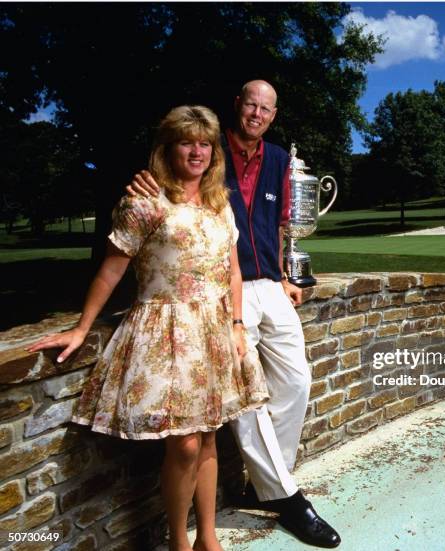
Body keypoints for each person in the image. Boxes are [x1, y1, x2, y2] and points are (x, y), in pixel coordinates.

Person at [27, 105, 269, 551]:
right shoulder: (144, 201)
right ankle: (179, 541)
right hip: (165, 333)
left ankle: (208, 538)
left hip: (214, 331)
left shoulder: (219, 203)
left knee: (210, 438)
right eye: (186, 142)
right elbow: (111, 271)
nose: (196, 152)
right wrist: (82, 329)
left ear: (213, 152)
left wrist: (237, 323)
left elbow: (232, 271)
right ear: (168, 147)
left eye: (204, 144)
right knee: (185, 446)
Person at [128, 80, 341, 548]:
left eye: (266, 108)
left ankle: (263, 482)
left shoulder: (281, 159)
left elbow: (286, 221)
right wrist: (143, 179)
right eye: (251, 104)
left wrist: (289, 271)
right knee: (245, 397)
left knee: (297, 381)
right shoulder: (207, 147)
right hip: (221, 290)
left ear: (273, 114)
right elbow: (167, 177)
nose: (257, 114)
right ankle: (285, 496)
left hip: (269, 281)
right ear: (238, 106)